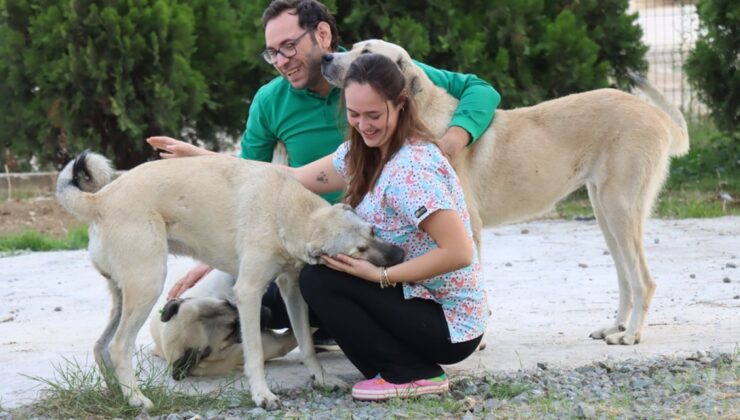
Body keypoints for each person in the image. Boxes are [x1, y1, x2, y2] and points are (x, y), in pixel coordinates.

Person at [147, 0, 499, 350]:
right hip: (302, 239)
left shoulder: (375, 68)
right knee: (206, 309)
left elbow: (481, 89)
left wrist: (451, 141)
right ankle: (323, 324)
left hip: (367, 244)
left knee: (312, 287)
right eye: (273, 52)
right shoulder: (277, 106)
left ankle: (354, 336)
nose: (282, 60)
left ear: (323, 34)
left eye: (289, 46)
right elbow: (258, 183)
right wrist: (216, 254)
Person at [279, 52, 487, 400]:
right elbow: (291, 178)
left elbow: (460, 251)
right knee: (287, 290)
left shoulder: (412, 170)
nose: (364, 125)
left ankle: (411, 372)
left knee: (318, 281)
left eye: (374, 115)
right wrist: (204, 160)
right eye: (354, 114)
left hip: (449, 323)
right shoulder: (362, 151)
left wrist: (379, 277)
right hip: (413, 299)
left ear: (401, 104)